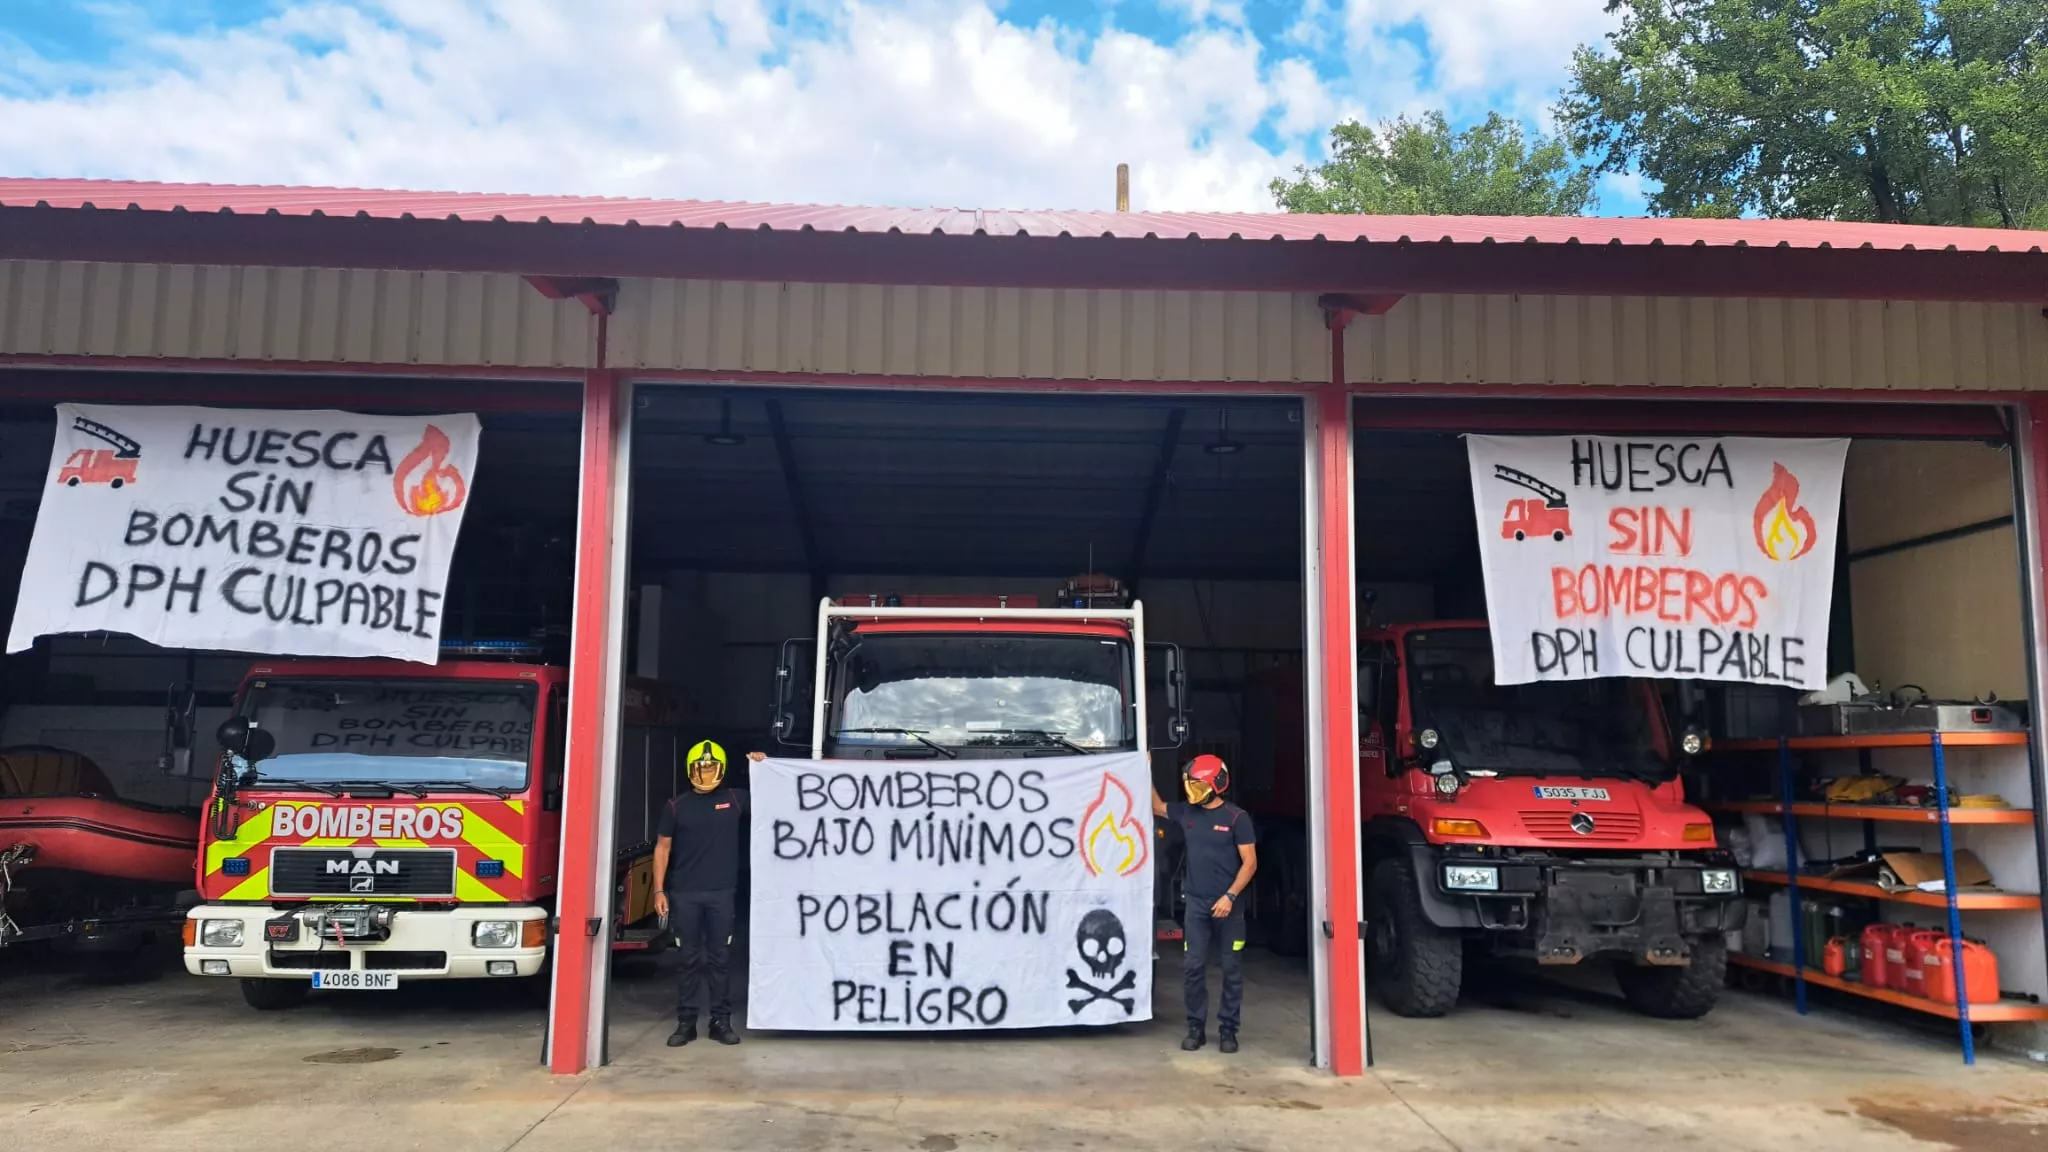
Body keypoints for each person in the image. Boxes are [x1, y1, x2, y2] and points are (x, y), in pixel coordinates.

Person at [654, 741, 763, 1048]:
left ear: (722, 770)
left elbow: (774, 793)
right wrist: (659, 890)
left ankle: (720, 1021)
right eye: (700, 769)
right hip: (685, 894)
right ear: (690, 771)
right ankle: (686, 1023)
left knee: (720, 960)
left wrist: (760, 763)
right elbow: (662, 848)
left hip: (722, 894)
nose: (706, 773)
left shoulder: (735, 800)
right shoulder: (675, 806)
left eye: (711, 768)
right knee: (688, 960)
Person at [1151, 754, 1256, 1054]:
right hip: (1197, 906)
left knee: (1231, 968)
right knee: (1192, 967)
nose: (1191, 791)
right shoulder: (1187, 813)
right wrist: (1143, 767)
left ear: (1216, 785)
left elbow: (1250, 864)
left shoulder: (1238, 818)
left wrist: (1230, 897)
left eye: (1197, 785)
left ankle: (1228, 1030)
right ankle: (1195, 1028)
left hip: (1229, 908)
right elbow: (1157, 806)